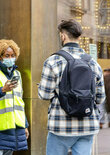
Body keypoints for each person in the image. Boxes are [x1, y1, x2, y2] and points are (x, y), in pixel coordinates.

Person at [38, 19, 106, 155]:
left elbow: (44, 95)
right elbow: (100, 98)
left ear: (62, 36)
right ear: (79, 37)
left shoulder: (53, 61)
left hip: (60, 125)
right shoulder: (93, 63)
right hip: (87, 125)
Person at [0, 39, 29, 155]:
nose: (10, 58)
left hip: (14, 127)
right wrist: (2, 90)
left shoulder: (17, 74)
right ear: (0, 56)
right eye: (7, 55)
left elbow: (19, 102)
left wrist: (24, 125)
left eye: (13, 55)